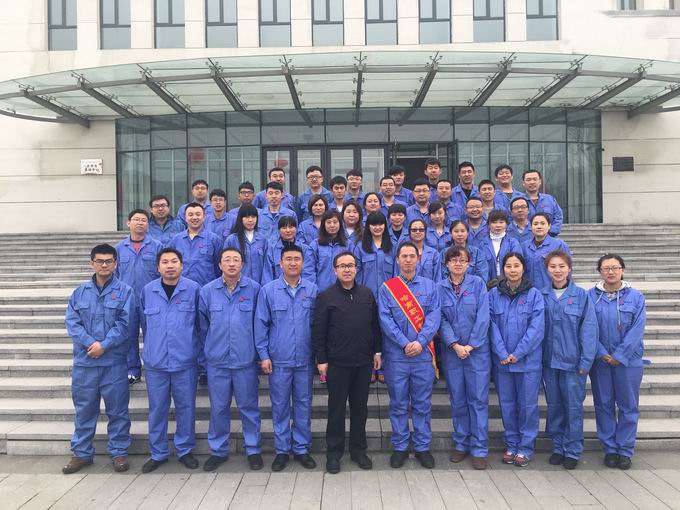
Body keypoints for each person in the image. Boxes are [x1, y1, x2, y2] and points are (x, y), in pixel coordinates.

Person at [63, 244, 134, 474]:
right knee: (84, 411)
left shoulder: (125, 292)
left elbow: (125, 324)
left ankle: (119, 452)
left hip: (113, 363)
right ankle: (81, 454)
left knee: (118, 411)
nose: (104, 265)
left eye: (109, 261)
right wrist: (90, 344)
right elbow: (72, 323)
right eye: (100, 261)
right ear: (92, 263)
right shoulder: (79, 293)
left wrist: (104, 345)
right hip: (86, 363)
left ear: (115, 263)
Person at [313, 252, 382, 474]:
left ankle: (358, 450)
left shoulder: (367, 294)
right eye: (342, 266)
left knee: (360, 409)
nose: (347, 269)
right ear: (335, 270)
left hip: (363, 362)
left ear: (356, 269)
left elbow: (375, 326)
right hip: (337, 363)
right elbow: (319, 331)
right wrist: (321, 359)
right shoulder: (326, 296)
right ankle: (334, 454)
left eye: (350, 265)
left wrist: (377, 351)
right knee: (336, 409)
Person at [198, 247, 264, 472]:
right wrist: (207, 354)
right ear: (220, 265)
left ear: (242, 264)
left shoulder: (254, 289)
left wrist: (259, 355)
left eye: (236, 260)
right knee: (218, 408)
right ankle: (218, 450)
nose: (232, 263)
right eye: (227, 260)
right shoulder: (207, 291)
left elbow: (259, 324)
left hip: (245, 360)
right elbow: (202, 326)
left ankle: (253, 449)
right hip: (217, 362)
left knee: (249, 407)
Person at [378, 242, 442, 469]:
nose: (407, 260)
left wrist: (420, 342)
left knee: (422, 403)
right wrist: (405, 343)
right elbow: (385, 319)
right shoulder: (387, 288)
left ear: (418, 259)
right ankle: (400, 447)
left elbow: (434, 317)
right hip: (397, 355)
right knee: (398, 403)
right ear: (397, 259)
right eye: (403, 256)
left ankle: (423, 447)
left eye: (411, 256)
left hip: (422, 355)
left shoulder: (430, 287)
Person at [255, 245, 319, 472]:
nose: (293, 263)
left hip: (305, 360)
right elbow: (261, 325)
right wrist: (263, 355)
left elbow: (318, 326)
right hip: (279, 360)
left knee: (303, 405)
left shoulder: (312, 290)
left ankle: (301, 448)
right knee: (280, 406)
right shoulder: (268, 291)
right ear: (280, 263)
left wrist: (319, 356)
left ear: (303, 263)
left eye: (297, 259)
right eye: (288, 259)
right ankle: (282, 450)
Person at [139, 248, 201, 473]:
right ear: (158, 267)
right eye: (165, 262)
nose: (170, 266)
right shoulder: (148, 291)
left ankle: (185, 449)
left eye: (174, 261)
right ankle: (158, 452)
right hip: (156, 363)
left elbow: (200, 325)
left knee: (186, 408)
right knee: (157, 409)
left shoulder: (193, 289)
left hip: (185, 362)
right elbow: (144, 325)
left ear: (182, 265)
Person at [589, 254, 646, 470]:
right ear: (600, 272)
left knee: (628, 406)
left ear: (623, 269)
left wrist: (620, 355)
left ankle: (625, 449)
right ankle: (610, 449)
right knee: (603, 405)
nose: (611, 272)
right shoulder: (591, 297)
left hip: (628, 361)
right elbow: (587, 328)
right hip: (601, 361)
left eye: (615, 267)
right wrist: (602, 353)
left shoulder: (636, 297)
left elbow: (637, 329)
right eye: (606, 268)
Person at [542, 250, 598, 470]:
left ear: (569, 269)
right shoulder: (541, 295)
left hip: (572, 364)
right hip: (548, 362)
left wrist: (585, 361)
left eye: (561, 266)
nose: (557, 270)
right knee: (554, 406)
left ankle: (573, 450)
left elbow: (589, 330)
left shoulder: (581, 296)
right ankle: (558, 447)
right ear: (547, 270)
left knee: (573, 408)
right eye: (553, 266)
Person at [489, 252, 545, 467]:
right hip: (503, 362)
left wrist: (518, 353)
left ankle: (525, 447)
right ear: (503, 269)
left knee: (528, 406)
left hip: (527, 362)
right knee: (507, 405)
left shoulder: (534, 295)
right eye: (508, 266)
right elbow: (490, 325)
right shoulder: (494, 294)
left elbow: (536, 328)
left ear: (523, 268)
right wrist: (502, 352)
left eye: (516, 265)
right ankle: (511, 444)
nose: (512, 270)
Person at [438, 246, 490, 470]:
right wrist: (455, 344)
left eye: (462, 260)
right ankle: (461, 444)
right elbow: (439, 318)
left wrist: (470, 345)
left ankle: (479, 448)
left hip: (476, 353)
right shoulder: (439, 288)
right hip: (452, 353)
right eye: (453, 260)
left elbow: (483, 317)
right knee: (458, 400)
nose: (458, 264)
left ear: (469, 263)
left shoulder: (478, 284)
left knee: (477, 401)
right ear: (446, 264)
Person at [114, 209, 162, 384]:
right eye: (136, 219)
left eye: (143, 220)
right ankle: (133, 369)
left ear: (148, 225)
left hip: (152, 300)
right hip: (127, 301)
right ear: (128, 223)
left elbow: (162, 273)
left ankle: (153, 367)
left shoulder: (157, 246)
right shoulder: (119, 248)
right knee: (129, 336)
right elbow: (115, 275)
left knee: (153, 335)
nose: (140, 223)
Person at [167, 203, 222, 287]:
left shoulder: (214, 239)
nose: (194, 217)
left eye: (198, 214)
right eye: (190, 215)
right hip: (181, 288)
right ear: (185, 218)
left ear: (204, 217)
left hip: (206, 288)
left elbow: (219, 267)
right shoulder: (176, 240)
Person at [303, 210, 356, 290]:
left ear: (340, 224)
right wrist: (313, 290)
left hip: (345, 290)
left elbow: (355, 268)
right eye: (329, 222)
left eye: (335, 222)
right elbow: (308, 270)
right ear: (323, 224)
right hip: (321, 291)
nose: (332, 225)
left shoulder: (348, 244)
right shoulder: (315, 245)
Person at [523, 212, 571, 290]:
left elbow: (567, 271)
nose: (539, 226)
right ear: (531, 227)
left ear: (549, 226)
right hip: (529, 292)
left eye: (542, 223)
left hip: (551, 291)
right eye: (535, 224)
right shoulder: (524, 246)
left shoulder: (559, 245)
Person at [224, 204, 268, 284]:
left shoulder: (263, 239)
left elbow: (267, 267)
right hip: (238, 285)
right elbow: (225, 264)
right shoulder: (232, 240)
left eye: (253, 217)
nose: (250, 220)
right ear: (240, 219)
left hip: (259, 285)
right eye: (247, 217)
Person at [354, 212, 395, 296]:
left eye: (380, 224)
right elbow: (357, 273)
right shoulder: (360, 248)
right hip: (366, 295)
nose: (377, 227)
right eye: (374, 225)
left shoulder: (392, 247)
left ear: (385, 226)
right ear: (368, 226)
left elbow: (396, 273)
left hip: (388, 295)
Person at [478, 209, 522, 283]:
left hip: (510, 283)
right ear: (488, 225)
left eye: (501, 222)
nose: (498, 225)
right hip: (488, 283)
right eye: (494, 222)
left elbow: (517, 264)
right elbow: (480, 267)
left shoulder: (513, 243)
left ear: (506, 224)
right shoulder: (482, 244)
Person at [522, 170, 563, 236]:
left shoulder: (550, 199)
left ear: (540, 182)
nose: (532, 182)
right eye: (528, 180)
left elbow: (558, 217)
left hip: (548, 237)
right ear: (523, 183)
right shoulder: (517, 201)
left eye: (535, 179)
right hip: (525, 239)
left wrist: (549, 230)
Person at [263, 216, 299, 284]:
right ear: (279, 230)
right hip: (277, 288)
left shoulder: (304, 249)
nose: (288, 230)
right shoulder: (272, 249)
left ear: (296, 229)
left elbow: (308, 273)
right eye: (284, 228)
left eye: (291, 227)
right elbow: (267, 274)